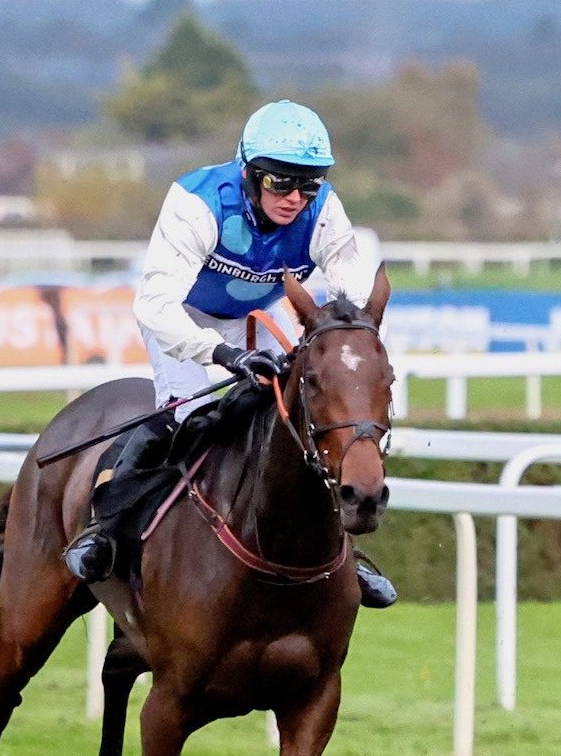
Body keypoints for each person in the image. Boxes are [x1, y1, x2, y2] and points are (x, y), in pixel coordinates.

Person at [62, 99, 398, 608]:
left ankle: (343, 552)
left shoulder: (323, 209)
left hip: (257, 319)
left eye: (307, 183)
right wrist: (220, 354)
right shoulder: (197, 203)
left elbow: (348, 298)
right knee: (194, 417)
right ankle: (106, 529)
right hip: (184, 320)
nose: (294, 197)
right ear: (248, 172)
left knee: (298, 422)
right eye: (279, 181)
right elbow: (156, 306)